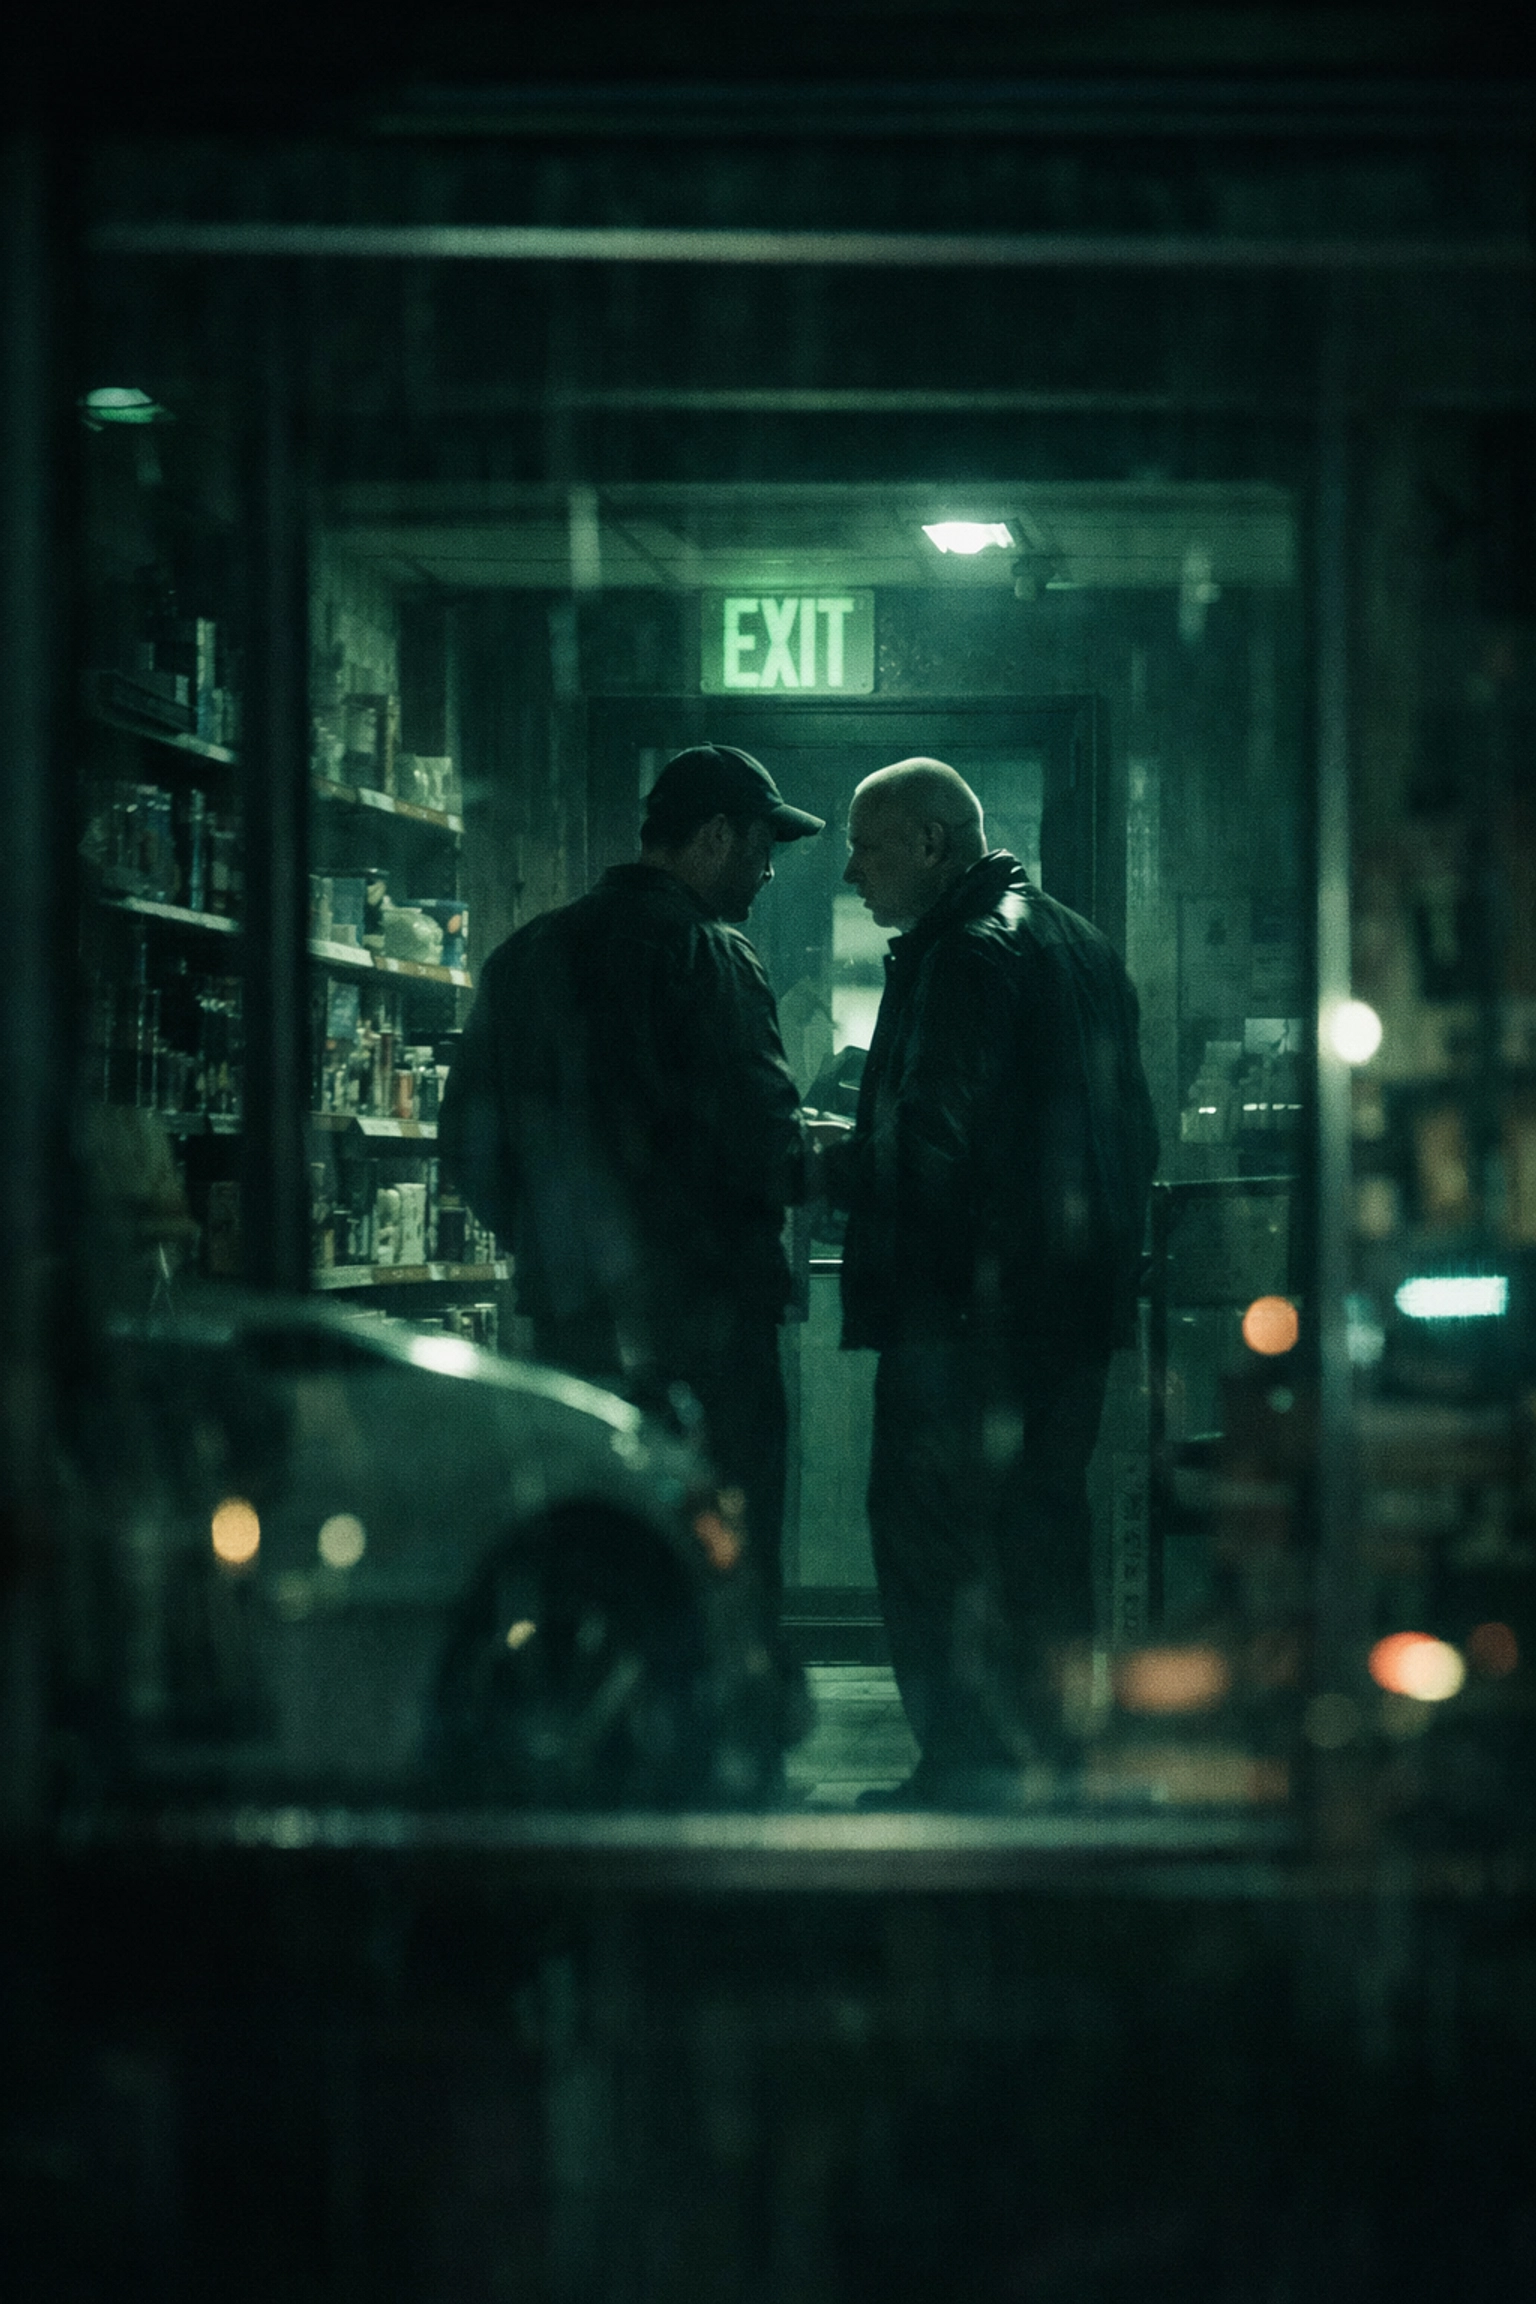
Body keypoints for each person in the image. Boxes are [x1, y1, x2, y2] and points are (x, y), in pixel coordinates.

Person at [438, 742, 825, 1678]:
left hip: (574, 1324)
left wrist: (551, 1241)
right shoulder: (712, 955)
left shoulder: (526, 956)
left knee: (595, 1536)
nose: (767, 872)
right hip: (711, 1327)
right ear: (714, 836)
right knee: (723, 1532)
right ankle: (730, 1744)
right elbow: (766, 1142)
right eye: (760, 848)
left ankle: (608, 1746)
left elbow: (468, 1149)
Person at [822, 759, 1159, 1807]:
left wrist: (826, 1161)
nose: (850, 870)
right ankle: (1055, 1757)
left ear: (932, 844)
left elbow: (932, 1151)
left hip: (964, 1319)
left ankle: (965, 1764)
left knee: (933, 1540)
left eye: (867, 846)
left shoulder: (965, 955)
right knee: (1043, 1540)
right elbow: (1128, 1134)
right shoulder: (1080, 941)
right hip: (1070, 1313)